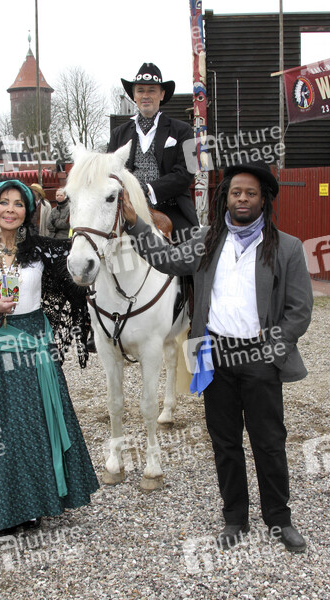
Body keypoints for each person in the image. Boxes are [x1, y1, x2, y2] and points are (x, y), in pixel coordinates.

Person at [122, 158, 313, 553]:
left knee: (269, 441)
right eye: (236, 192)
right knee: (225, 442)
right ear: (225, 197)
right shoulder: (206, 240)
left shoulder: (288, 247)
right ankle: (235, 518)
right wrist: (135, 224)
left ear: (263, 200)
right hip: (214, 354)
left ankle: (279, 519)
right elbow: (166, 260)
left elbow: (299, 310)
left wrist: (273, 346)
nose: (242, 198)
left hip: (260, 358)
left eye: (251, 193)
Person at [0, 179, 99, 536]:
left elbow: (83, 258)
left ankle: (34, 503)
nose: (10, 209)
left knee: (31, 429)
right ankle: (0, 507)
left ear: (27, 211)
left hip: (34, 350)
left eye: (18, 204)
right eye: (4, 202)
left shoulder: (43, 251)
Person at [108, 62, 198, 243]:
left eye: (151, 90)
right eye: (140, 91)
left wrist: (149, 189)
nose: (145, 95)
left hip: (171, 208)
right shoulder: (118, 133)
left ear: (162, 94)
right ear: (134, 95)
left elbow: (188, 172)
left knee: (193, 249)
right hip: (127, 209)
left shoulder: (184, 130)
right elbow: (109, 173)